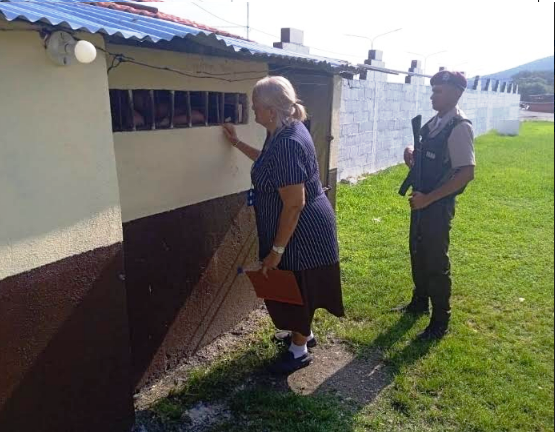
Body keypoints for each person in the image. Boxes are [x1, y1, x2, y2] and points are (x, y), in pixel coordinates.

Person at [222, 76, 345, 374]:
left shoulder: (288, 142)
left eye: (255, 106)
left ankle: (299, 350)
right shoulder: (283, 131)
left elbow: (294, 204)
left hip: (301, 229)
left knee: (299, 284)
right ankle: (303, 334)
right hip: (296, 225)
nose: (253, 110)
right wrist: (236, 143)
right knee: (294, 284)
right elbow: (268, 162)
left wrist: (276, 250)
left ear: (271, 110)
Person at [394, 71, 476, 340]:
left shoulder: (459, 126)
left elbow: (466, 173)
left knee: (436, 260)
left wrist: (429, 199)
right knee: (417, 251)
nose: (432, 96)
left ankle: (440, 320)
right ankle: (419, 302)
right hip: (421, 201)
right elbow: (428, 149)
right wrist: (411, 150)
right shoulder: (437, 122)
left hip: (437, 205)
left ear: (456, 93)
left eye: (438, 91)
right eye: (433, 90)